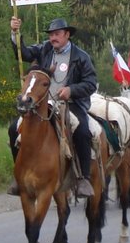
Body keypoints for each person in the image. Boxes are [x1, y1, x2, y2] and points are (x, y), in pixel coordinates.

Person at [9, 16, 97, 197]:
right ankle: (19, 174)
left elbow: (90, 83)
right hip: (43, 102)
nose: (53, 38)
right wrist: (15, 33)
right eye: (51, 34)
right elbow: (24, 53)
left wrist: (71, 90)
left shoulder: (81, 57)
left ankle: (83, 178)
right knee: (13, 129)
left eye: (57, 34)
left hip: (70, 103)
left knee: (82, 131)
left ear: (67, 34)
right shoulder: (44, 48)